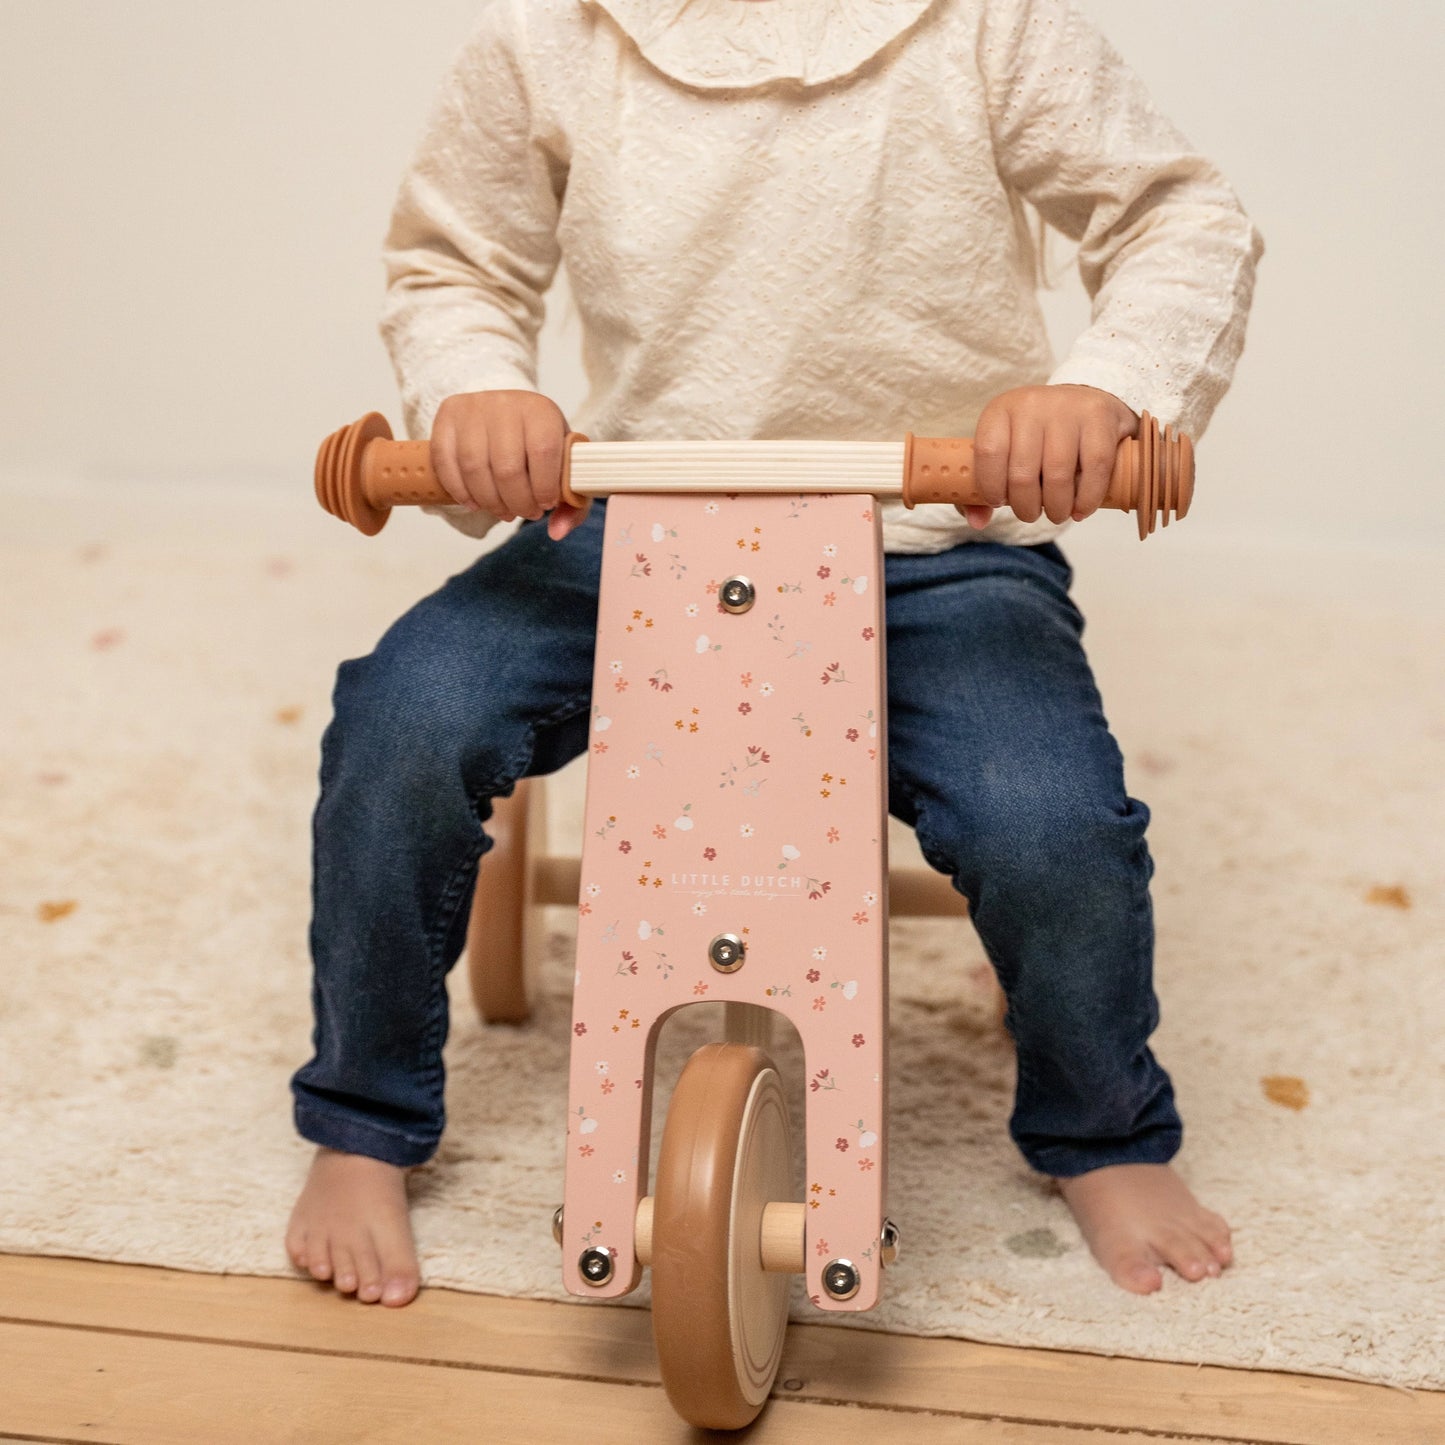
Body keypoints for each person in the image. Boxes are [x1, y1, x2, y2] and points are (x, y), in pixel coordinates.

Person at [286, 0, 1263, 1308]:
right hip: (632, 513)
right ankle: (359, 1118)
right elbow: (456, 263)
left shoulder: (994, 30)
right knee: (402, 725)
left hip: (931, 533)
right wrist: (475, 389)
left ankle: (1101, 1127)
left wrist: (1105, 388)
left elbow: (1177, 216)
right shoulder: (549, 38)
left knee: (1046, 820)